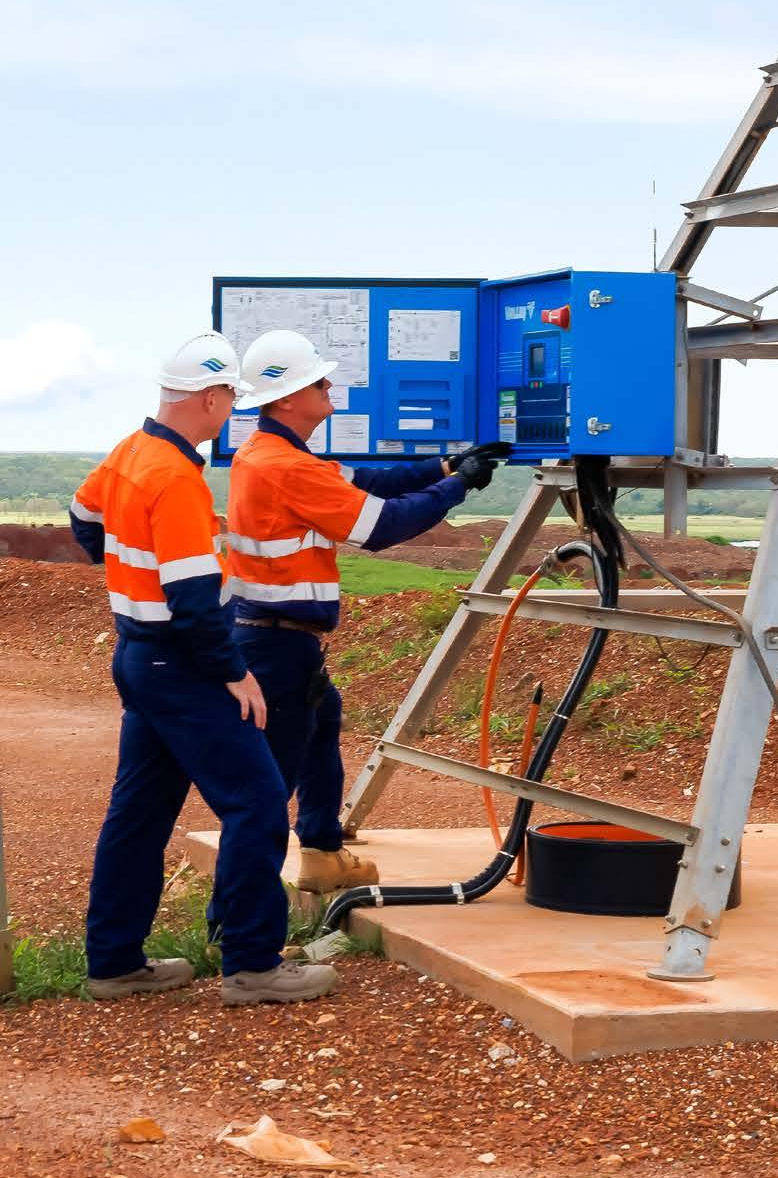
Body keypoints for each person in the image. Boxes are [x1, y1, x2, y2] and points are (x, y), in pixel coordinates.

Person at [69, 334, 339, 1006]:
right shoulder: (176, 478)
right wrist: (234, 672)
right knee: (256, 801)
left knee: (139, 810)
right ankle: (253, 964)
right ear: (210, 398)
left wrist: (128, 579)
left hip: (138, 656)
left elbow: (83, 518)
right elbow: (193, 598)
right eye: (228, 401)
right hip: (181, 663)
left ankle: (114, 961)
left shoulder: (129, 455)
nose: (230, 414)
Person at [224, 329, 505, 891]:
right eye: (317, 382)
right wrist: (458, 488)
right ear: (287, 399)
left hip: (276, 638)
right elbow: (382, 525)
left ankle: (322, 851)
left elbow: (369, 480)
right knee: (266, 791)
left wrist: (446, 466)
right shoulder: (285, 467)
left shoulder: (275, 454)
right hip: (275, 644)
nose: (329, 386)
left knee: (322, 722)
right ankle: (241, 922)